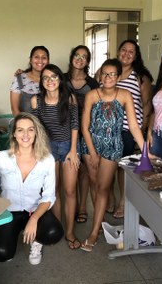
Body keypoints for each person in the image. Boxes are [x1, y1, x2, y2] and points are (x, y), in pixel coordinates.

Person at [0, 113, 64, 264]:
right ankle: (14, 234)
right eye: (20, 130)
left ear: (36, 133)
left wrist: (35, 219)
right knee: (0, 253)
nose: (25, 135)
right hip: (9, 211)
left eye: (30, 130)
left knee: (53, 233)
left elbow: (49, 196)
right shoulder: (1, 158)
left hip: (34, 209)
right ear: (14, 134)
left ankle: (36, 241)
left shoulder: (47, 159)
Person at [80, 58, 145, 252]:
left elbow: (133, 125)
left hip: (113, 145)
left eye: (112, 74)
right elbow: (84, 126)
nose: (108, 77)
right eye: (105, 73)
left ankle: (93, 233)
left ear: (118, 77)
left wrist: (146, 153)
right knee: (94, 184)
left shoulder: (124, 95)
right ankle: (97, 225)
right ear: (100, 75)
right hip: (91, 144)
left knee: (103, 187)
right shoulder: (92, 95)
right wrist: (91, 151)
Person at [31, 64, 81, 250]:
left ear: (60, 79)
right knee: (53, 192)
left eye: (54, 77)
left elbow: (75, 124)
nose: (50, 81)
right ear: (41, 82)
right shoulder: (37, 100)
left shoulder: (70, 98)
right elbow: (36, 128)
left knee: (69, 190)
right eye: (45, 78)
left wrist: (74, 150)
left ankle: (70, 232)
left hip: (68, 146)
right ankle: (57, 227)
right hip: (47, 149)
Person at [109, 39, 154, 219]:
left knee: (122, 167)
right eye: (124, 50)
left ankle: (122, 201)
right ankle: (110, 198)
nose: (126, 54)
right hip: (107, 129)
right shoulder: (110, 71)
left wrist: (141, 128)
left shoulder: (140, 76)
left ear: (136, 56)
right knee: (108, 166)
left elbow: (146, 104)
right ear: (118, 51)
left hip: (128, 128)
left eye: (131, 52)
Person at [65, 45, 99, 224]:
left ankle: (83, 207)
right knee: (71, 169)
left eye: (84, 57)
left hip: (86, 130)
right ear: (72, 57)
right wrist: (23, 72)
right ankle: (72, 205)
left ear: (87, 61)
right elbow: (42, 80)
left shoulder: (93, 83)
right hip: (66, 130)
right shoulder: (61, 79)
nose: (79, 59)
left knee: (85, 169)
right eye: (76, 55)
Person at [9, 46, 50, 116]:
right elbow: (15, 110)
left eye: (44, 58)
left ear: (48, 61)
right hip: (26, 125)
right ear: (30, 60)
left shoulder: (52, 80)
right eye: (36, 57)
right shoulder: (20, 79)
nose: (40, 60)